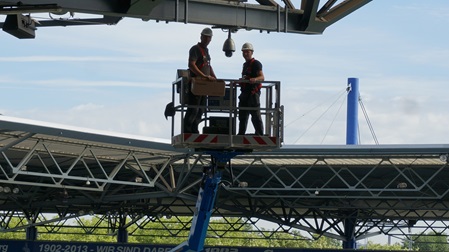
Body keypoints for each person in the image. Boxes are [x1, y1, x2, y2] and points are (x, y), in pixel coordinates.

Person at [183, 27, 217, 133]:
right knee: (193, 108)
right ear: (201, 37)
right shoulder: (195, 49)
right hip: (196, 83)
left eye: (209, 38)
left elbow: (208, 66)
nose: (207, 40)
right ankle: (187, 130)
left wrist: (214, 77)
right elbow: (192, 65)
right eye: (205, 38)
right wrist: (204, 76)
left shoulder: (206, 51)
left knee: (201, 109)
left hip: (203, 85)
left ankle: (194, 128)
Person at [237, 42, 264, 136]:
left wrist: (255, 79)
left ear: (251, 52)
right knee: (242, 116)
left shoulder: (256, 64)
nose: (245, 54)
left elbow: (262, 77)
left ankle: (259, 133)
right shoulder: (245, 65)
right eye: (244, 52)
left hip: (253, 93)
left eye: (247, 52)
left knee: (255, 115)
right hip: (245, 93)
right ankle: (241, 134)